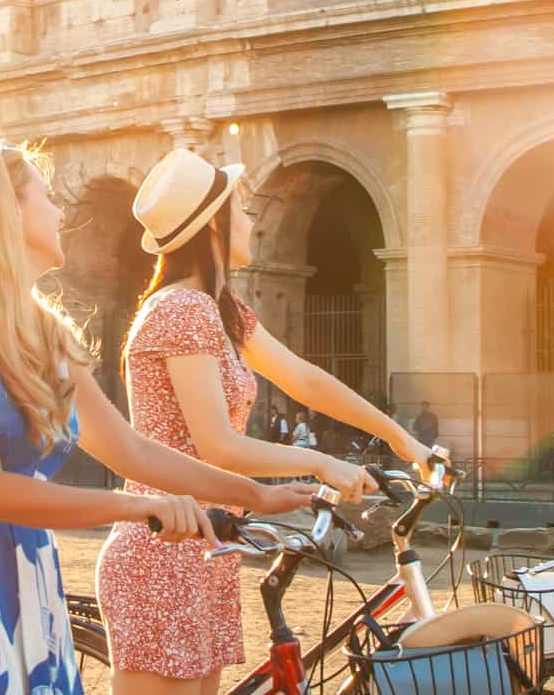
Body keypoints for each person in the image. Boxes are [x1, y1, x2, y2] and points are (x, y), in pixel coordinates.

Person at [0, 140, 315, 695]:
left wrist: (257, 495)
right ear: (7, 210)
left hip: (28, 567)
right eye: (46, 196)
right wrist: (139, 506)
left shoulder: (45, 333)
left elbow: (131, 450)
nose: (61, 212)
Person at [96, 148, 444, 694]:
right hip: (162, 551)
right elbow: (218, 445)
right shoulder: (181, 311)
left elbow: (304, 380)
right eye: (242, 207)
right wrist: (324, 463)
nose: (253, 218)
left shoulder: (220, 308)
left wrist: (402, 440)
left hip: (205, 545)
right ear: (214, 222)